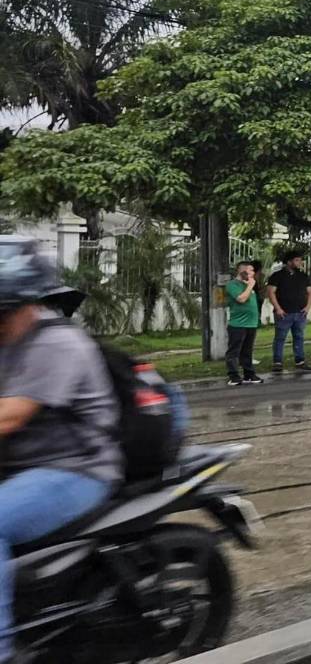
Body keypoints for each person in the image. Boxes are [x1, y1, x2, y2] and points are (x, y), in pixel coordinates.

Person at [0, 237, 122, 662]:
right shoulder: (9, 342)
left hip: (75, 470)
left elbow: (9, 417)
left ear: (22, 303)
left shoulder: (55, 344)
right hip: (24, 466)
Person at [267, 251, 311, 373]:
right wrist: (278, 308)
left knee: (299, 336)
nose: (300, 262)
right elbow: (271, 292)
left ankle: (300, 361)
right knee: (280, 337)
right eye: (297, 260)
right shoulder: (277, 276)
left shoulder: (303, 276)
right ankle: (277, 362)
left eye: (300, 260)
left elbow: (310, 292)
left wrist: (308, 307)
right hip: (284, 312)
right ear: (289, 262)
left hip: (300, 312)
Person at [224, 261, 264, 387]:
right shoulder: (232, 285)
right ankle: (233, 375)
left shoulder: (250, 285)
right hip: (238, 324)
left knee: (247, 351)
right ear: (242, 272)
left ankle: (249, 374)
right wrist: (250, 286)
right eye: (250, 271)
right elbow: (241, 299)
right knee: (234, 351)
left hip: (251, 324)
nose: (253, 273)